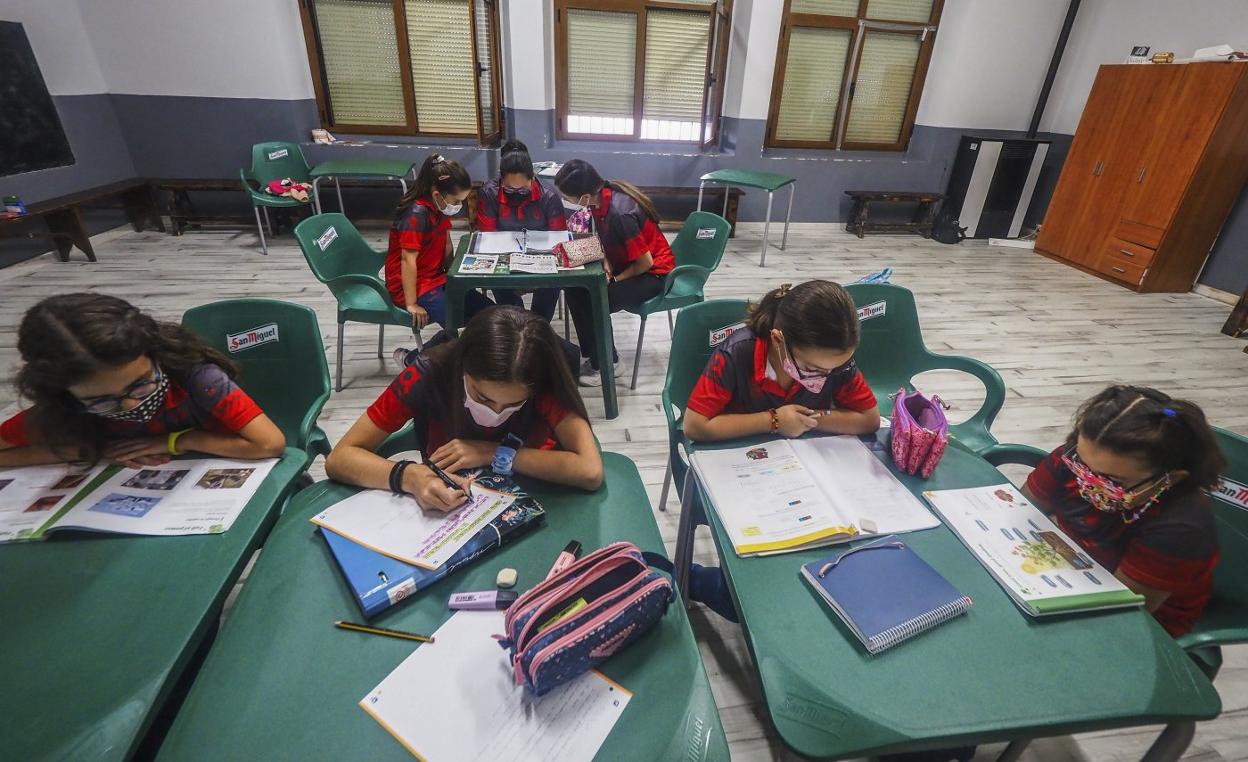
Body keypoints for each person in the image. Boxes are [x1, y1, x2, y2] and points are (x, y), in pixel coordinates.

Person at [327, 306, 603, 512]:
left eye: (513, 405)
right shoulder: (429, 373)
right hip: (449, 500)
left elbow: (589, 470)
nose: (496, 413)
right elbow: (341, 458)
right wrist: (409, 476)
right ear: (461, 367)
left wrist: (492, 453)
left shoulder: (541, 378)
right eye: (482, 398)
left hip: (537, 491)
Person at [1023, 385, 1224, 637]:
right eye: (1083, 464)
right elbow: (1020, 509)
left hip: (1138, 628)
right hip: (1059, 576)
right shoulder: (1072, 460)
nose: (1087, 482)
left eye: (1112, 481)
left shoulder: (1181, 528)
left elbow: (1119, 612)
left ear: (1169, 479)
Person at [0, 294, 285, 468]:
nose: (132, 403)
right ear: (62, 395)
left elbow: (269, 443)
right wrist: (93, 450)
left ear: (155, 352)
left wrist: (179, 441)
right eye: (101, 401)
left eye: (141, 384)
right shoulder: (61, 405)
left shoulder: (198, 378)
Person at [683, 280, 881, 442]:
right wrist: (773, 421)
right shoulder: (738, 353)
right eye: (811, 368)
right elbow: (695, 426)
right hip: (738, 452)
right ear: (778, 340)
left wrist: (806, 420)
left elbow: (869, 419)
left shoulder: (836, 359)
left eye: (836, 368)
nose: (826, 376)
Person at [553, 160, 675, 386]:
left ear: (585, 196)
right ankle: (595, 355)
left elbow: (645, 263)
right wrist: (606, 261)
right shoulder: (599, 202)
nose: (565, 201)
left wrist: (615, 279)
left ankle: (610, 363)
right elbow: (605, 239)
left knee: (596, 299)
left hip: (654, 274)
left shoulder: (620, 213)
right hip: (629, 265)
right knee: (574, 288)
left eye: (567, 197)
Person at [387, 153, 492, 335]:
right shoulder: (416, 214)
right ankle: (413, 359)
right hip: (415, 286)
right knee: (461, 329)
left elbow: (446, 244)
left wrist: (457, 278)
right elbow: (407, 261)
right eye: (457, 201)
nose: (459, 206)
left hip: (437, 278)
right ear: (437, 194)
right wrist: (411, 303)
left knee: (490, 312)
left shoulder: (439, 207)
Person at [477, 140, 567, 320]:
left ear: (532, 177)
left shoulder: (548, 196)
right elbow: (488, 235)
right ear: (501, 179)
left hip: (542, 258)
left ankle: (539, 325)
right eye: (510, 188)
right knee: (507, 301)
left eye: (523, 188)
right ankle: (515, 322)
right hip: (505, 256)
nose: (516, 193)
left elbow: (559, 238)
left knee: (553, 282)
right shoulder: (489, 193)